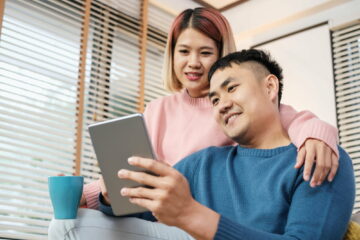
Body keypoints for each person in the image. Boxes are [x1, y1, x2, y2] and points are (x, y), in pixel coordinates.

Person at [49, 49, 354, 239]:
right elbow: (144, 213)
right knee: (67, 225)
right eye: (214, 99)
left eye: (231, 88)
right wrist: (110, 195)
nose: (221, 104)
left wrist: (192, 215)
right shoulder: (203, 163)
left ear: (270, 87)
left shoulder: (319, 158)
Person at [81, 7, 339, 211]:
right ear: (172, 54)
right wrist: (90, 193)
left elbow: (299, 121)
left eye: (205, 53)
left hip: (206, 215)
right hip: (159, 213)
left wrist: (316, 136)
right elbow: (135, 171)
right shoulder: (157, 110)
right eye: (183, 51)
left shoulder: (234, 107)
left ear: (221, 54)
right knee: (75, 219)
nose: (192, 63)